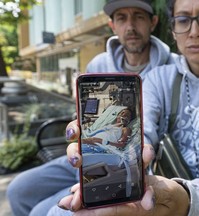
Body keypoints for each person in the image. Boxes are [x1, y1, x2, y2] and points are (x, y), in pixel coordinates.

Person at [57, 0, 199, 215]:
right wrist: (127, 146)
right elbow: (141, 128)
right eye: (183, 20)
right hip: (154, 198)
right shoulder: (159, 80)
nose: (194, 31)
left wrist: (186, 199)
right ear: (174, 29)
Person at [6, 0, 176, 215]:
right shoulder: (98, 64)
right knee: (18, 190)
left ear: (153, 22)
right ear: (112, 25)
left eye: (139, 16)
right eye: (121, 18)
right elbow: (85, 117)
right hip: (89, 151)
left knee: (41, 211)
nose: (130, 26)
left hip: (132, 163)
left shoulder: (171, 69)